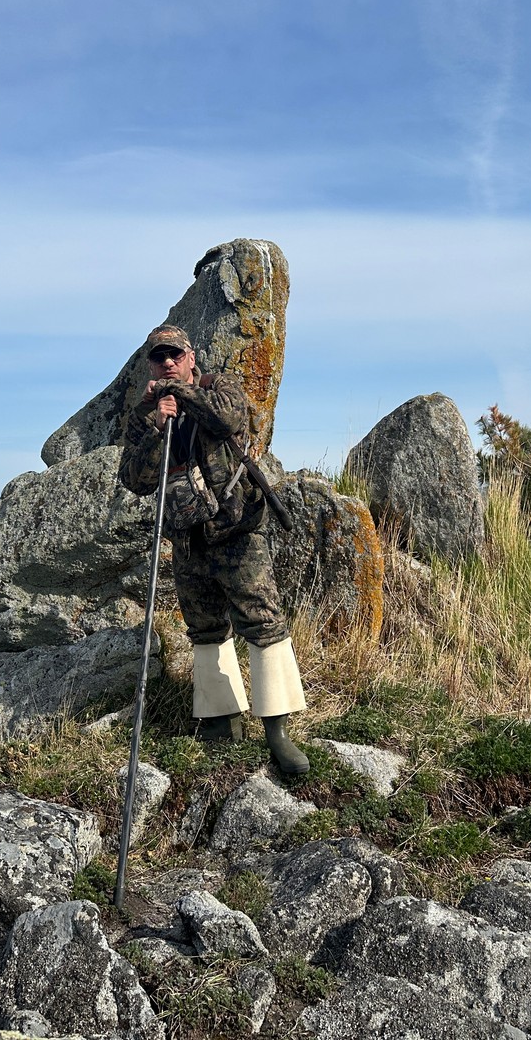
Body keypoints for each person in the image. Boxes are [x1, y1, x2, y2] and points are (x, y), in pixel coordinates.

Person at [118, 323, 310, 775]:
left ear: (190, 356)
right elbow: (134, 479)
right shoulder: (146, 415)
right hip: (187, 537)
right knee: (204, 628)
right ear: (150, 363)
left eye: (174, 354)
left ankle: (277, 731)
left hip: (237, 528)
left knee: (261, 621)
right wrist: (156, 424)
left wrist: (182, 397)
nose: (167, 362)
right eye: (158, 356)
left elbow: (227, 419)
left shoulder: (217, 387)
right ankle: (221, 721)